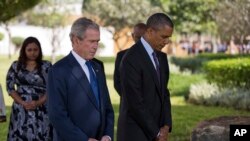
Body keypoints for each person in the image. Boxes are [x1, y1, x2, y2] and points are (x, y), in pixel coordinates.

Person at [47, 17, 114, 141]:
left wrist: (108, 135)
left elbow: (107, 107)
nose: (95, 46)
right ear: (76, 40)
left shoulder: (98, 66)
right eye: (91, 41)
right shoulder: (58, 70)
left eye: (97, 41)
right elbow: (57, 115)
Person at [117, 13, 174, 141]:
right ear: (149, 31)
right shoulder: (130, 59)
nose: (166, 42)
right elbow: (135, 102)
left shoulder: (161, 57)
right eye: (163, 37)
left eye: (168, 38)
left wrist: (166, 126)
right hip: (136, 133)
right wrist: (156, 133)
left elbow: (164, 92)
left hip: (158, 132)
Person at [6, 36, 53, 140]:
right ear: (24, 51)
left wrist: (38, 102)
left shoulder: (47, 66)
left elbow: (52, 88)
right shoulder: (16, 66)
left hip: (41, 109)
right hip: (20, 109)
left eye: (35, 50)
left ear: (39, 50)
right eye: (29, 50)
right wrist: (23, 103)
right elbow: (10, 88)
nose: (33, 53)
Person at [114, 23, 147, 95]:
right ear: (133, 36)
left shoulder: (155, 56)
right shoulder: (121, 56)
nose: (141, 41)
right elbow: (117, 82)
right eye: (138, 37)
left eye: (143, 38)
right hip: (128, 103)